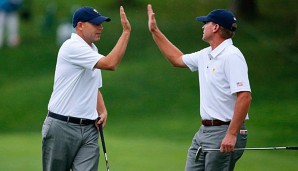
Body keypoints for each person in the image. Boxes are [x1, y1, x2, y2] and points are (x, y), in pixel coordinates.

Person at [147, 4, 252, 171]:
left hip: (225, 131)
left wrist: (231, 134)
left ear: (216, 27)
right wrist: (155, 31)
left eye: (206, 23)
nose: (203, 26)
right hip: (204, 131)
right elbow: (177, 59)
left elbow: (244, 96)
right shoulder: (206, 54)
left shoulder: (232, 56)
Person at [42, 6, 131, 171]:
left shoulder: (92, 50)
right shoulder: (71, 47)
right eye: (95, 24)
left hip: (89, 129)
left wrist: (102, 111)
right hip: (61, 126)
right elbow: (110, 64)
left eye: (101, 23)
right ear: (80, 25)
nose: (101, 27)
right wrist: (125, 33)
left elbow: (93, 87)